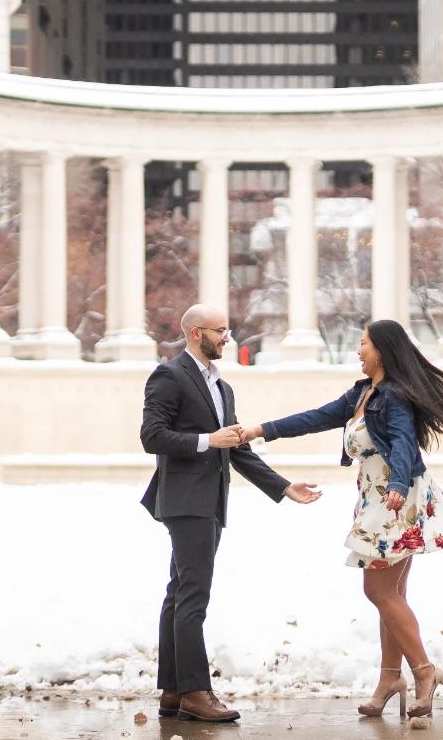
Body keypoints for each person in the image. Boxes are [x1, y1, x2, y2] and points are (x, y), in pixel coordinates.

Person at [238, 319, 443, 722]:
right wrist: (260, 430)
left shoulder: (394, 397)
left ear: (383, 352)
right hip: (376, 498)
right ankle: (390, 680)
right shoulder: (363, 394)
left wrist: (398, 482)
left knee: (378, 589)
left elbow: (405, 441)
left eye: (364, 344)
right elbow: (315, 417)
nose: (358, 350)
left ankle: (425, 671)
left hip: (394, 501)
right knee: (391, 595)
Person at [139, 303, 323, 724]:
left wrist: (282, 486)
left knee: (179, 592)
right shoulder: (169, 375)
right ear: (194, 333)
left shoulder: (222, 387)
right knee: (193, 597)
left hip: (209, 503)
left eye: (227, 329)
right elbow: (152, 436)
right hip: (185, 502)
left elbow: (236, 448)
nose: (227, 337)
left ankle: (172, 691)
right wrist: (207, 439)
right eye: (219, 331)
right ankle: (194, 692)